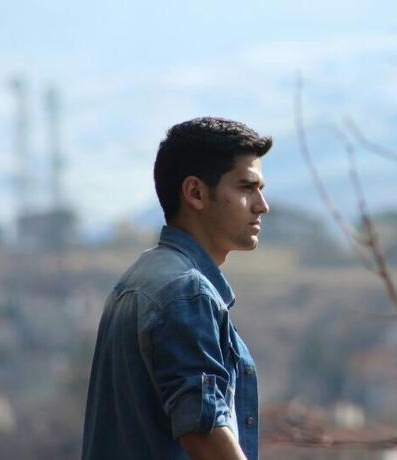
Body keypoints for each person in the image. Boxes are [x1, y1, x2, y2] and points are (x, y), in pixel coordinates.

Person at [81, 117, 272, 460]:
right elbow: (205, 430)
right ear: (195, 193)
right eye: (246, 188)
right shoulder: (186, 293)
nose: (262, 205)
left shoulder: (140, 278)